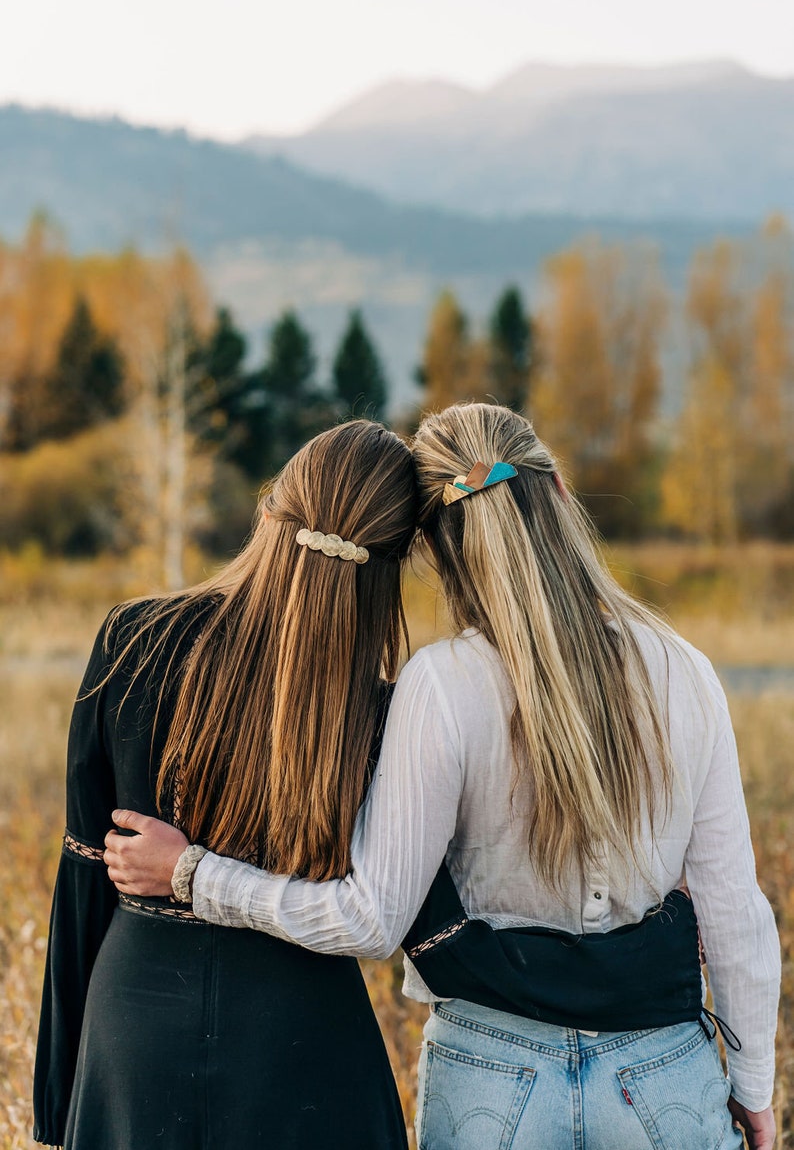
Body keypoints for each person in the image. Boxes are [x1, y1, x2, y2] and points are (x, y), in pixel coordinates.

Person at [106, 404, 780, 1150]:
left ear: (435, 549)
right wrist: (754, 1088)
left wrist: (194, 874)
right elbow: (734, 911)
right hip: (663, 1078)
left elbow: (370, 919)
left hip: (493, 1083)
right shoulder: (683, 669)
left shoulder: (441, 685)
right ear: (558, 490)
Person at [34, 419, 419, 1150]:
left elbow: (84, 868)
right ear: (391, 565)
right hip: (311, 1048)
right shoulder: (382, 710)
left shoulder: (133, 640)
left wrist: (58, 1106)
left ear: (271, 507)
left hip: (135, 1032)